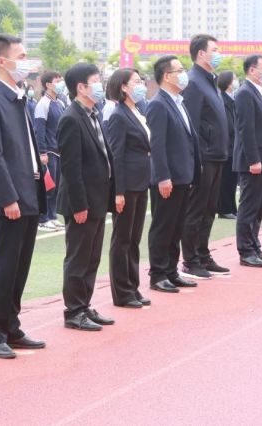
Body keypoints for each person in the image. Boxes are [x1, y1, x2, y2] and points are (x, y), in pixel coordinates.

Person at [0, 35, 47, 358]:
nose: (27, 61)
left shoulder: (20, 97)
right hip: (11, 198)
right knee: (4, 266)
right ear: (2, 62)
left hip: (29, 192)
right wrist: (7, 198)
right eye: (21, 55)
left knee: (20, 266)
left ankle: (11, 326)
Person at [57, 63, 115, 330]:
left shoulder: (93, 113)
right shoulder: (71, 118)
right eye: (95, 80)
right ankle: (73, 311)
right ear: (81, 87)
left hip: (98, 199)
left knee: (92, 257)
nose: (100, 85)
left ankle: (85, 304)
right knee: (79, 258)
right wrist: (79, 204)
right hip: (81, 202)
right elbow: (71, 167)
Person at [147, 55, 201, 293]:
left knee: (176, 226)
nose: (184, 74)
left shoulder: (179, 101)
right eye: (179, 70)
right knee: (163, 226)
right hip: (168, 178)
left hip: (183, 175)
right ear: (167, 76)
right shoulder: (159, 104)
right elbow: (157, 145)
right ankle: (158, 273)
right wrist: (163, 177)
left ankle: (171, 270)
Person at [180, 34, 229, 280]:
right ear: (201, 53)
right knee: (196, 209)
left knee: (210, 209)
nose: (219, 54)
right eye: (215, 49)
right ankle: (190, 259)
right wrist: (196, 159)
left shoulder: (210, 80)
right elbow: (193, 125)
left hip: (217, 155)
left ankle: (202, 253)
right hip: (204, 157)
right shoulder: (193, 82)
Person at [106, 68, 151, 308]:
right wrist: (119, 191)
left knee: (134, 239)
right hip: (127, 185)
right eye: (136, 81)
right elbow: (117, 156)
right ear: (123, 87)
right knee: (122, 239)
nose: (141, 84)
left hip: (142, 182)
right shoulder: (118, 115)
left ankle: (133, 286)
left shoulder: (139, 111)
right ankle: (122, 292)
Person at [233, 55, 262, 267]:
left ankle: (255, 246)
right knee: (249, 206)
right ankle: (245, 250)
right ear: (252, 70)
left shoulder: (261, 92)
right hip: (253, 161)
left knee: (259, 206)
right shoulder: (244, 93)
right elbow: (245, 129)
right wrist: (253, 159)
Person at [34, 71, 66, 233]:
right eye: (57, 80)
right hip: (49, 152)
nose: (61, 83)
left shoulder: (59, 103)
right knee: (48, 186)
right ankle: (43, 218)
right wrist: (42, 152)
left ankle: (52, 216)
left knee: (57, 186)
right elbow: (39, 129)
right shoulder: (43, 104)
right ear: (48, 85)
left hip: (59, 151)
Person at [216, 71, 238, 220]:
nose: (237, 81)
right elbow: (228, 125)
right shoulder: (222, 100)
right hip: (227, 146)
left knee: (232, 180)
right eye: (235, 79)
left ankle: (232, 207)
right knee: (226, 180)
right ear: (228, 83)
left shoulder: (233, 99)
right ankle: (224, 209)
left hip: (234, 146)